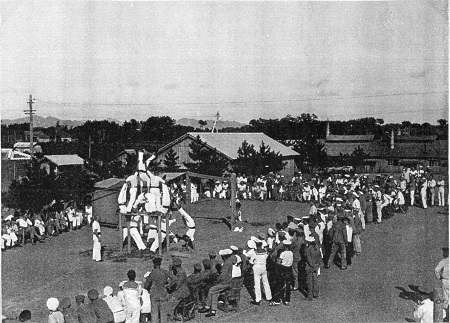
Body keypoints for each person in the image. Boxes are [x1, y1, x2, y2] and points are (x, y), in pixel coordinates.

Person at [198, 249, 234, 317]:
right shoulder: (228, 262)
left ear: (224, 256)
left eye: (222, 256)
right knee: (215, 293)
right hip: (227, 281)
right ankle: (213, 311)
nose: (221, 257)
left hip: (225, 283)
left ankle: (207, 307)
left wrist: (217, 280)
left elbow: (223, 275)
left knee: (211, 290)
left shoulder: (226, 263)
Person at [144, 257, 175, 323]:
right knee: (163, 314)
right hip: (163, 294)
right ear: (160, 264)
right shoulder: (165, 272)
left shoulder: (152, 273)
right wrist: (168, 285)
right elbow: (175, 279)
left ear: (154, 264)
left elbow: (146, 285)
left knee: (154, 314)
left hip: (154, 295)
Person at [249, 241, 272, 305]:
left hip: (256, 268)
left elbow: (251, 261)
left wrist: (252, 263)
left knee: (257, 284)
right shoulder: (265, 252)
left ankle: (258, 299)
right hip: (263, 267)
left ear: (256, 245)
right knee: (266, 282)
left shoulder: (255, 253)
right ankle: (269, 297)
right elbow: (266, 258)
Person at [273, 240, 293, 306]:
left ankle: (277, 300)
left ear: (285, 246)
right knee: (287, 284)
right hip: (289, 269)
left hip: (283, 268)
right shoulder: (291, 253)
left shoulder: (283, 253)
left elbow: (278, 262)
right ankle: (287, 300)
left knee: (280, 284)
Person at [304, 235, 321, 301]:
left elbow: (308, 259)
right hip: (316, 265)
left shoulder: (308, 249)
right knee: (315, 280)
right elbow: (319, 257)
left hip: (310, 267)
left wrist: (312, 265)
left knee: (309, 281)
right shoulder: (316, 247)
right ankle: (316, 293)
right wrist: (317, 265)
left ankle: (309, 295)